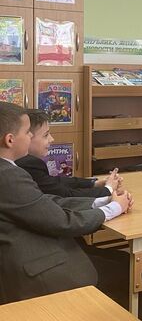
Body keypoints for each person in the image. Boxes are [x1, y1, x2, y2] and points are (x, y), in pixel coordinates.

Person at [0, 102, 131, 304]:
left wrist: (101, 201)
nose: (30, 136)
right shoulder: (8, 175)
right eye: (27, 132)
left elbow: (43, 201)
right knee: (129, 271)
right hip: (31, 268)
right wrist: (114, 208)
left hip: (21, 254)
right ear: (10, 140)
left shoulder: (9, 170)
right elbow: (63, 222)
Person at [17, 109, 122, 198]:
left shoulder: (26, 162)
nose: (52, 139)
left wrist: (94, 183)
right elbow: (66, 195)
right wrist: (108, 189)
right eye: (46, 135)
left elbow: (56, 182)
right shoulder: (28, 164)